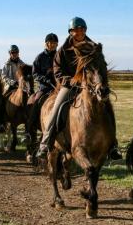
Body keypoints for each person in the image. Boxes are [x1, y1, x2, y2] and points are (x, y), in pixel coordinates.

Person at [36, 17, 122, 160]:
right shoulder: (62, 51)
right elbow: (57, 73)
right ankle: (45, 143)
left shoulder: (93, 47)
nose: (80, 32)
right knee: (57, 108)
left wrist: (99, 82)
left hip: (90, 86)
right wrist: (72, 81)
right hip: (69, 86)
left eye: (82, 29)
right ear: (70, 32)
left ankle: (113, 145)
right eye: (76, 30)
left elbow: (101, 66)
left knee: (107, 106)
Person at [25, 33, 58, 143]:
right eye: (50, 43)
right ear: (46, 44)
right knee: (36, 102)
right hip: (44, 87)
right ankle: (29, 131)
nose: (52, 45)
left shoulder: (59, 56)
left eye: (54, 43)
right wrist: (45, 78)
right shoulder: (40, 57)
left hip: (58, 87)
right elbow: (35, 74)